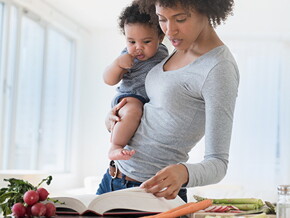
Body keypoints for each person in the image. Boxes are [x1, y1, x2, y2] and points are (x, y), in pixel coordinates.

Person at [97, 0, 239, 203]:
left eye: (180, 19)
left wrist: (184, 173)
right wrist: (113, 117)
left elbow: (218, 163)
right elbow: (156, 109)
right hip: (113, 178)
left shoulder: (219, 69)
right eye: (162, 19)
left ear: (206, 9)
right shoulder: (175, 49)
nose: (170, 31)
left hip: (154, 193)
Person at [103, 3, 168, 160]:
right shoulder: (126, 56)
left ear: (160, 37)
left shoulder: (164, 53)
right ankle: (115, 147)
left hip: (149, 100)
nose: (138, 47)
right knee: (133, 111)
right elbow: (108, 79)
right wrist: (118, 64)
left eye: (146, 42)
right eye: (131, 42)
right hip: (130, 96)